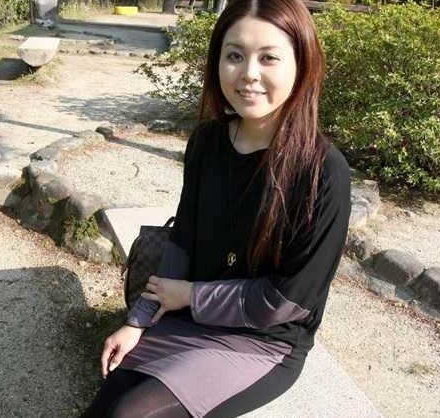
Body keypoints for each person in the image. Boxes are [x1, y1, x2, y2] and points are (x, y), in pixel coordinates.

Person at [82, 0, 352, 416]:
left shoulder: (323, 172)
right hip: (188, 317)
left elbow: (288, 301)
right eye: (235, 56)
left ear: (302, 65)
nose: (249, 74)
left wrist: (190, 295)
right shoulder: (207, 142)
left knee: (130, 414)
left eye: (268, 58)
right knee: (105, 406)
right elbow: (182, 241)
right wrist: (137, 320)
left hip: (261, 340)